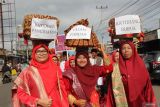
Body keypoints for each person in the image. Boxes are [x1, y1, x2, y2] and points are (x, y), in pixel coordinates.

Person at [118, 41, 156, 107]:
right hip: (123, 103)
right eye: (123, 48)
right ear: (120, 51)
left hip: (140, 102)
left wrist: (151, 105)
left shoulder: (140, 64)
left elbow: (148, 88)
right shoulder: (117, 66)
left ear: (133, 50)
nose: (126, 50)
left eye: (129, 48)